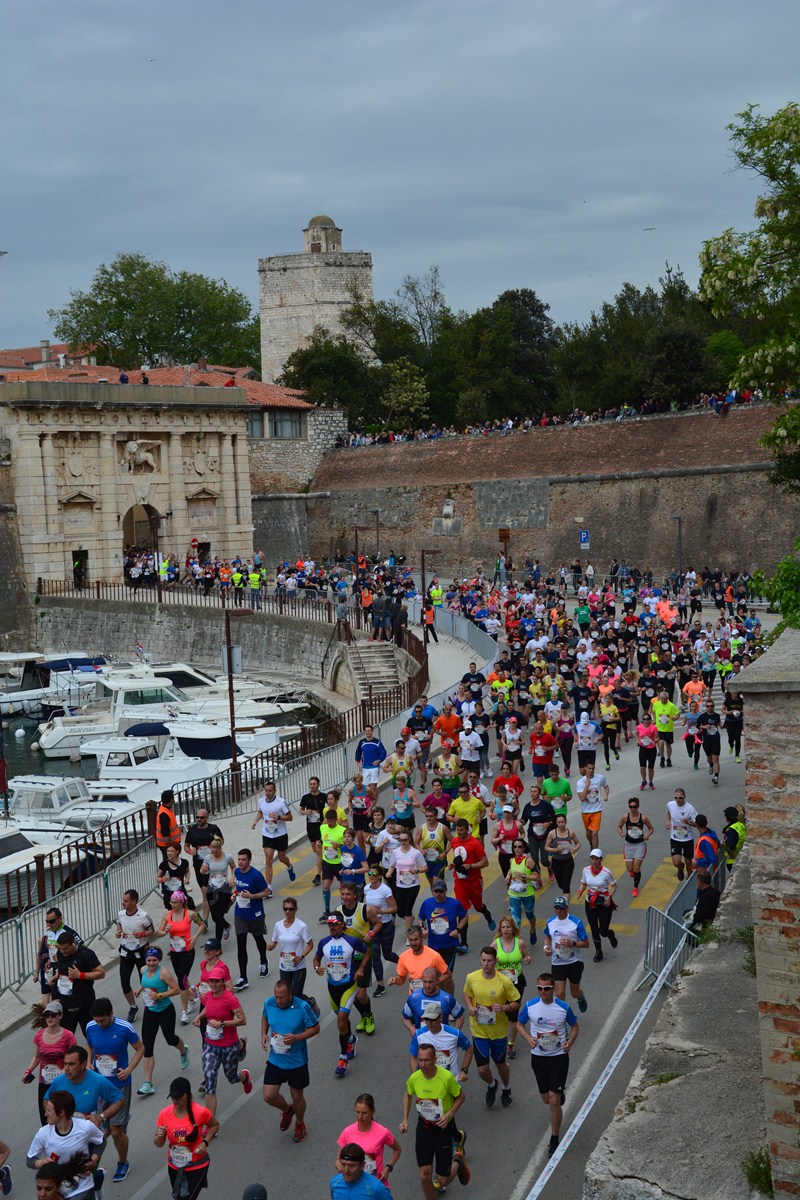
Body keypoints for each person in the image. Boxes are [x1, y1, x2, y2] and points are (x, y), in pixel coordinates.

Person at [517, 972, 580, 1158]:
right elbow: (519, 1024)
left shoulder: (563, 1007)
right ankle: (558, 1094)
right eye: (540, 988)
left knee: (553, 1100)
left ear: (553, 989)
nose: (543, 991)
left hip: (558, 1057)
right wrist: (528, 1038)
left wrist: (570, 1042)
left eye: (546, 988)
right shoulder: (530, 1006)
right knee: (546, 1098)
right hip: (538, 1058)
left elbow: (575, 1026)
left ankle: (554, 1139)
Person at [85, 998, 144, 1182]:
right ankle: (121, 1119)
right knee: (102, 1129)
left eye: (102, 1020)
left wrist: (129, 1070)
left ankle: (123, 1162)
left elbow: (140, 1049)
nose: (99, 1024)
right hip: (99, 1085)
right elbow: (90, 1046)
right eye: (96, 1020)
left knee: (116, 1131)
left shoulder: (124, 1028)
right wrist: (88, 1062)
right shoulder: (90, 1027)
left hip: (119, 1085)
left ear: (111, 1013)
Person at [399, 1045, 469, 1198]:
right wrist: (405, 1119)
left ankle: (458, 1162)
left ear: (435, 1060)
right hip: (424, 1128)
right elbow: (408, 1094)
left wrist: (450, 1114)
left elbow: (461, 1096)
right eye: (420, 1060)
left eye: (427, 1060)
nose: (423, 1064)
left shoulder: (446, 1078)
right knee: (424, 1175)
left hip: (443, 1129)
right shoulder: (415, 1078)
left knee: (442, 1181)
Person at [260, 978, 320, 1143]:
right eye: (276, 996)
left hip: (296, 1061)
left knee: (297, 1097)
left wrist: (296, 1038)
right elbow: (265, 1017)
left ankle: (300, 1124)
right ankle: (287, 1111)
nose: (278, 1001)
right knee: (268, 1096)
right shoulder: (269, 1003)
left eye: (282, 997)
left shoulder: (302, 1007)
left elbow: (316, 1028)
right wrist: (263, 1034)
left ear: (290, 994)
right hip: (275, 1059)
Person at [313, 912, 371, 1077]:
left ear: (342, 924)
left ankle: (343, 1058)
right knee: (342, 1022)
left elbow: (367, 951)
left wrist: (361, 968)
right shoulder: (324, 943)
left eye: (335, 924)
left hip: (348, 987)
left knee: (341, 1021)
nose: (332, 927)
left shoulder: (352, 941)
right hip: (332, 988)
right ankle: (350, 1040)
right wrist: (317, 968)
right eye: (330, 925)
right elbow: (316, 959)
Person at [463, 946, 519, 1109]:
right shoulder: (471, 977)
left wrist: (504, 1008)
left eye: (489, 961)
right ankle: (492, 1084)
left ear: (496, 961)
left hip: (498, 1032)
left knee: (500, 1064)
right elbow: (466, 993)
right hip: (479, 1031)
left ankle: (506, 1088)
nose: (486, 964)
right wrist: (470, 1007)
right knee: (482, 1069)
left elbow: (516, 1002)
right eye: (483, 960)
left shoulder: (504, 982)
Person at [193, 967, 252, 1114]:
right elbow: (208, 1008)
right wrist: (199, 1017)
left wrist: (222, 1024)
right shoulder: (207, 996)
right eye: (211, 981)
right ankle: (211, 1121)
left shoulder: (230, 999)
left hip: (228, 1046)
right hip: (210, 1045)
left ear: (222, 982)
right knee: (210, 1083)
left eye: (216, 981)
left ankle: (244, 1077)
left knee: (232, 1077)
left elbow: (242, 1020)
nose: (213, 984)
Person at [27, 1090, 105, 1199]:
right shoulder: (43, 1133)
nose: (45, 1114)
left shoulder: (85, 1127)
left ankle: (95, 1188)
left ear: (61, 1113)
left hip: (82, 1187)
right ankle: (97, 1186)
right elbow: (30, 1160)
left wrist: (93, 1160)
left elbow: (102, 1141)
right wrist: (41, 1163)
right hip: (57, 1189)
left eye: (49, 1111)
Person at [134, 946, 191, 1096]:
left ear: (159, 960)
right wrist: (140, 989)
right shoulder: (143, 970)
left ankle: (183, 1050)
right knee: (147, 1047)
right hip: (150, 1011)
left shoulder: (163, 973)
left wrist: (159, 996)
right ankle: (147, 1083)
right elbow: (146, 983)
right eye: (149, 960)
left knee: (170, 1039)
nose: (151, 963)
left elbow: (176, 989)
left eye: (154, 960)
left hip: (165, 1011)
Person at [154, 1077, 218, 1200]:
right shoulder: (164, 1114)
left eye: (178, 1097)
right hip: (175, 1166)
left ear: (187, 1094)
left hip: (197, 1165)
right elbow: (159, 1143)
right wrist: (158, 1136)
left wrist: (205, 1142)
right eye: (173, 1097)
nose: (175, 1100)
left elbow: (215, 1125)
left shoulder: (200, 1112)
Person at [43, 1044, 125, 1131]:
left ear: (83, 1065)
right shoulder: (58, 1081)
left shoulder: (98, 1081)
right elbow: (46, 1099)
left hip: (88, 1131)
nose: (66, 1068)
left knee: (116, 1132)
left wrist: (101, 1117)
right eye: (65, 1064)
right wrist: (52, 1115)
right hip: (65, 1131)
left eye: (71, 1064)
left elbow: (120, 1100)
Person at [23, 999, 77, 1125]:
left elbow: (74, 1059)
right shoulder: (39, 1035)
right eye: (47, 1015)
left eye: (53, 1014)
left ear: (60, 1016)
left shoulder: (68, 1036)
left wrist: (65, 1070)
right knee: (46, 1117)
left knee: (62, 1116)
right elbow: (37, 1057)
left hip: (62, 1082)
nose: (50, 1018)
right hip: (44, 1082)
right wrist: (28, 1071)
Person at [338, 882, 382, 1035]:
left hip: (364, 956)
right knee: (351, 994)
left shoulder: (366, 910)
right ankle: (364, 1017)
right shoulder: (338, 911)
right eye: (343, 894)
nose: (345, 897)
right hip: (346, 959)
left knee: (360, 993)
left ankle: (369, 1016)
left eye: (348, 894)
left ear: (355, 895)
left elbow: (378, 923)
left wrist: (371, 933)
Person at [157, 890, 205, 1023]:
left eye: (176, 902)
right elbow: (159, 933)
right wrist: (165, 931)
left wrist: (194, 937)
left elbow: (202, 924)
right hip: (174, 952)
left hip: (188, 951)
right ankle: (192, 995)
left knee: (181, 980)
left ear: (182, 902)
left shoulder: (190, 914)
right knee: (181, 978)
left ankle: (184, 1011)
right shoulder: (167, 915)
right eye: (171, 902)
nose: (173, 905)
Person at [46, 931, 105, 1036]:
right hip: (66, 1004)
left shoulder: (86, 954)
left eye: (65, 949)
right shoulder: (60, 953)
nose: (63, 951)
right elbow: (61, 969)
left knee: (91, 1037)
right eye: (61, 948)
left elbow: (101, 973)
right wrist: (55, 977)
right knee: (65, 1038)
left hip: (84, 1004)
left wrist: (80, 975)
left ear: (73, 943)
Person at [337, 1094, 402, 1185]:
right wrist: (340, 1166)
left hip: (375, 1184)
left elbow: (397, 1149)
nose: (360, 1116)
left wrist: (388, 1167)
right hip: (353, 1184)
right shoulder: (347, 1132)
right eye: (357, 1112)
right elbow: (338, 1158)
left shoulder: (382, 1132)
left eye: (364, 1113)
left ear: (372, 1111)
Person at [449, 819, 496, 946]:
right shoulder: (454, 842)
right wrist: (454, 865)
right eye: (457, 830)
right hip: (460, 882)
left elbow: (485, 862)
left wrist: (471, 866)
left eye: (461, 830)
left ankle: (487, 915)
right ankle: (464, 943)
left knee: (478, 907)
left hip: (474, 881)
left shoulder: (475, 843)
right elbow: (459, 859)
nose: (459, 832)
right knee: (462, 911)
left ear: (467, 829)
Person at [493, 916, 533, 1058]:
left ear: (513, 928)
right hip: (500, 982)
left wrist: (527, 959)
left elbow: (527, 956)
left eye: (508, 927)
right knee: (499, 1010)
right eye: (503, 927)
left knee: (513, 1012)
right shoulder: (496, 943)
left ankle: (510, 1043)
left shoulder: (519, 943)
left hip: (516, 982)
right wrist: (493, 962)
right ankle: (498, 1038)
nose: (505, 930)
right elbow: (486, 960)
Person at [542, 896, 589, 1013]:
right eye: (556, 908)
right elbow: (547, 936)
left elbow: (586, 943)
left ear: (567, 908)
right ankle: (562, 1017)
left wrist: (572, 943)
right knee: (560, 994)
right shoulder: (550, 922)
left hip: (574, 962)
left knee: (574, 993)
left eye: (561, 908)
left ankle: (580, 997)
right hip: (558, 963)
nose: (559, 911)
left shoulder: (576, 922)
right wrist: (546, 947)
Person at [232, 848, 271, 990]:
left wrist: (252, 896)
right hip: (240, 914)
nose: (240, 862)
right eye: (239, 859)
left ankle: (264, 961)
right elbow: (238, 888)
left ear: (249, 860)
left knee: (258, 939)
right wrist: (234, 895)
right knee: (241, 945)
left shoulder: (256, 875)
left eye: (243, 859)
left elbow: (266, 892)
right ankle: (243, 977)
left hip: (255, 914)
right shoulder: (237, 872)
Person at [114, 889, 155, 1022]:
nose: (123, 903)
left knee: (145, 981)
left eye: (125, 901)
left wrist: (142, 934)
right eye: (123, 900)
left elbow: (151, 931)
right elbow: (119, 924)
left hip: (141, 952)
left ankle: (150, 1003)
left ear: (134, 902)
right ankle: (133, 1007)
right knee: (124, 982)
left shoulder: (143, 916)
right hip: (126, 952)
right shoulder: (121, 914)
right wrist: (118, 931)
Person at [409, 999, 472, 1080]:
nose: (429, 1022)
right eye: (426, 1019)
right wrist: (414, 1077)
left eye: (433, 1019)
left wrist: (464, 1070)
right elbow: (414, 1056)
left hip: (449, 1082)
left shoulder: (454, 1034)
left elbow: (469, 1048)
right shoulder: (418, 1035)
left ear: (441, 1017)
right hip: (427, 1081)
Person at [268, 896, 315, 1004]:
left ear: (295, 909)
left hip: (298, 966)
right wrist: (270, 946)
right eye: (285, 909)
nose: (288, 911)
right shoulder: (278, 925)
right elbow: (274, 942)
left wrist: (301, 956)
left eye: (291, 909)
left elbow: (310, 944)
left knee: (296, 995)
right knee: (286, 995)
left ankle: (309, 1003)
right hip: (284, 966)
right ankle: (305, 1004)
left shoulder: (301, 926)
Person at [251, 779, 296, 892]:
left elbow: (290, 817)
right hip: (267, 834)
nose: (268, 793)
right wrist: (255, 821)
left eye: (270, 791)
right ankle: (269, 887)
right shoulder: (261, 801)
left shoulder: (281, 802)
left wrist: (278, 817)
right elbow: (261, 811)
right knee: (268, 859)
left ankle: (289, 866)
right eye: (266, 791)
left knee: (282, 858)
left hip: (280, 834)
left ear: (275, 791)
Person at [574, 849, 618, 962]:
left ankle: (610, 934)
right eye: (592, 858)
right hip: (590, 902)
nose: (594, 861)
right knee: (593, 929)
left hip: (603, 903)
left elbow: (614, 885)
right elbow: (584, 882)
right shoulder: (586, 870)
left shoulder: (606, 872)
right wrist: (580, 891)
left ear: (601, 860)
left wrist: (609, 897)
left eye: (597, 859)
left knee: (603, 931)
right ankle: (599, 951)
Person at [417, 879, 468, 972]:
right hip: (433, 945)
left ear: (445, 891)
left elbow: (464, 916)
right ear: (432, 891)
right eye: (436, 891)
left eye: (441, 891)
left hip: (450, 945)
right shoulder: (426, 904)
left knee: (447, 973)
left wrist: (458, 929)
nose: (438, 893)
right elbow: (420, 919)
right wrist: (422, 928)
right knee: (435, 972)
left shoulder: (454, 904)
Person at [388, 925, 453, 995]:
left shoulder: (434, 956)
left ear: (421, 938)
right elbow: (401, 979)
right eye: (411, 940)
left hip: (431, 995)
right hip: (414, 995)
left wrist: (433, 983)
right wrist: (395, 980)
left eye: (416, 939)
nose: (413, 943)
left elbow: (447, 974)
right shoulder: (403, 957)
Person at [364, 866, 399, 996]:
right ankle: (380, 985)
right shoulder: (366, 888)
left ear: (379, 876)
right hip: (373, 925)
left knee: (387, 954)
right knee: (375, 955)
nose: (371, 876)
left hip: (386, 925)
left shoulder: (385, 890)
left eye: (374, 874)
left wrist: (380, 911)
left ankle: (404, 963)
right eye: (369, 873)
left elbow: (394, 908)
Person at [184, 809, 224, 919]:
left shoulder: (214, 829)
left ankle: (206, 918)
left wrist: (215, 847)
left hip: (213, 862)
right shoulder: (192, 830)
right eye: (197, 817)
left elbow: (222, 841)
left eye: (202, 818)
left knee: (208, 891)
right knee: (204, 891)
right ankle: (213, 910)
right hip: (199, 864)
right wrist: (190, 851)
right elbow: (186, 845)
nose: (199, 819)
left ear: (207, 818)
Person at [34, 908, 81, 998]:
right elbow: (50, 951)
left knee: (66, 998)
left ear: (60, 919)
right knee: (55, 1000)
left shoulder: (69, 932)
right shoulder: (50, 933)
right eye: (47, 921)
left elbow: (81, 950)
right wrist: (49, 960)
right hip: (53, 969)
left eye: (52, 921)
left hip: (66, 970)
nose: (49, 924)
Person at [386, 830, 427, 931]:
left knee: (408, 910)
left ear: (409, 839)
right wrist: (389, 872)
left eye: (405, 840)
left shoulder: (416, 853)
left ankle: (409, 934)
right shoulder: (396, 852)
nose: (403, 842)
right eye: (401, 840)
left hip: (413, 885)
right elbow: (392, 865)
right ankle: (410, 919)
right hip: (400, 885)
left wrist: (417, 870)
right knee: (400, 912)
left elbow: (425, 867)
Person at [504, 838, 541, 941]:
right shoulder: (512, 860)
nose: (517, 849)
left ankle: (532, 929)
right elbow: (511, 870)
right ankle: (518, 943)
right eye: (515, 847)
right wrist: (507, 877)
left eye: (519, 847)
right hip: (514, 893)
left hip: (527, 894)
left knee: (530, 915)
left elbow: (537, 877)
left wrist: (523, 876)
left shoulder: (529, 861)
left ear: (524, 848)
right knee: (516, 920)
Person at [200, 837, 236, 942]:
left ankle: (217, 943)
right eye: (212, 852)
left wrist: (232, 878)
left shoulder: (228, 857)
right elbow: (202, 870)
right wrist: (203, 870)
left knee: (219, 916)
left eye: (216, 852)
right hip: (211, 889)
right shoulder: (207, 858)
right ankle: (226, 926)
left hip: (224, 888)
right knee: (215, 917)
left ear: (220, 849)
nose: (214, 854)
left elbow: (234, 868)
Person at [617, 797, 654, 896]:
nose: (633, 809)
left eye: (634, 807)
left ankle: (635, 888)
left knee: (636, 868)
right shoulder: (625, 817)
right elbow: (619, 826)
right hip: (628, 845)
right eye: (631, 807)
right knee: (630, 869)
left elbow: (651, 829)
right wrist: (621, 832)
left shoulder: (643, 818)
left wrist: (647, 835)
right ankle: (633, 871)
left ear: (638, 807)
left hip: (639, 845)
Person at [544, 815, 580, 904]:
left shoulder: (570, 833)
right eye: (559, 822)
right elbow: (546, 847)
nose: (561, 824)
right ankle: (565, 893)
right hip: (556, 862)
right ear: (556, 823)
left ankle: (565, 906)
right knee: (561, 884)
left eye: (562, 822)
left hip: (568, 861)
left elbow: (578, 843)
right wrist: (555, 850)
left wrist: (575, 849)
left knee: (566, 885)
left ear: (566, 822)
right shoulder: (552, 833)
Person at [320, 808, 347, 921]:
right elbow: (322, 840)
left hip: (339, 863)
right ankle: (327, 911)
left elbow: (348, 846)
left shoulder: (342, 830)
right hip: (327, 862)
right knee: (326, 886)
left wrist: (339, 845)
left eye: (331, 821)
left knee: (343, 887)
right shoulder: (322, 828)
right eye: (328, 821)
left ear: (336, 820)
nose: (329, 823)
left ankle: (342, 910)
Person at [666, 788, 698, 882]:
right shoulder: (670, 804)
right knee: (676, 862)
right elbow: (669, 812)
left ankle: (690, 881)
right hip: (675, 838)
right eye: (676, 798)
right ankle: (680, 868)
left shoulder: (690, 808)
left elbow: (696, 823)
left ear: (684, 797)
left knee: (688, 863)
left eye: (680, 798)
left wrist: (688, 822)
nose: (678, 800)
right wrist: (668, 821)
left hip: (687, 839)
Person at [300, 776, 327, 884]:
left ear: (318, 785)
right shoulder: (305, 797)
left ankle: (318, 875)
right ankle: (324, 861)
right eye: (311, 784)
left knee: (319, 850)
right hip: (310, 825)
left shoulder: (323, 796)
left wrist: (326, 818)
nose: (312, 786)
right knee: (315, 850)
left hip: (321, 825)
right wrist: (305, 812)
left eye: (314, 784)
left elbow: (330, 806)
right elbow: (301, 809)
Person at [576, 762, 608, 851]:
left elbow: (606, 786)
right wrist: (587, 785)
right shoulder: (580, 782)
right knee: (588, 832)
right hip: (585, 810)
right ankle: (591, 844)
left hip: (597, 809)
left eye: (593, 768)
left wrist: (606, 795)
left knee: (594, 832)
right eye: (589, 768)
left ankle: (595, 852)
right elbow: (582, 798)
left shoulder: (600, 778)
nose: (591, 770)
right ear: (585, 768)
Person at [157, 842, 193, 910]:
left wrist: (187, 879)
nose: (169, 853)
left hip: (180, 892)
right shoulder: (164, 864)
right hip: (169, 894)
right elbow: (157, 878)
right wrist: (162, 879)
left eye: (171, 851)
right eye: (167, 851)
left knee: (184, 911)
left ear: (177, 851)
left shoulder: (184, 862)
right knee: (172, 912)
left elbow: (187, 871)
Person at [650, 689, 680, 769]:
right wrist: (654, 719)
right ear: (660, 698)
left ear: (668, 698)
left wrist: (675, 718)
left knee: (668, 745)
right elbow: (653, 711)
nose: (663, 700)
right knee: (661, 743)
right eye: (662, 698)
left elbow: (677, 714)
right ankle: (662, 757)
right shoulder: (656, 704)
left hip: (668, 728)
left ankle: (669, 759)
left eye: (665, 698)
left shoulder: (671, 705)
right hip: (659, 728)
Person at [355, 727, 388, 795]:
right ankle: (369, 800)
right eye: (366, 731)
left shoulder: (377, 742)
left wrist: (379, 760)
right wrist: (358, 762)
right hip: (365, 767)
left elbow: (383, 753)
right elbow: (358, 752)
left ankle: (374, 800)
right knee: (366, 787)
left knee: (373, 786)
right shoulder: (362, 742)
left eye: (369, 731)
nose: (367, 732)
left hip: (374, 767)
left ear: (372, 731)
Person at [697, 698, 722, 784]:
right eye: (707, 706)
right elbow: (697, 726)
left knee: (716, 758)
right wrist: (704, 727)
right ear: (706, 707)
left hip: (716, 739)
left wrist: (724, 725)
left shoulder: (717, 716)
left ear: (713, 707)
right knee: (709, 757)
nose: (709, 707)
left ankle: (716, 777)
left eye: (711, 706)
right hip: (707, 740)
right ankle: (711, 765)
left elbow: (720, 724)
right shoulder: (702, 716)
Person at [636, 710, 658, 791]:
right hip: (643, 749)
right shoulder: (639, 727)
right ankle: (644, 780)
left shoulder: (654, 727)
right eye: (644, 719)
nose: (646, 721)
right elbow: (637, 734)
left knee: (650, 768)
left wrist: (655, 741)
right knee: (642, 767)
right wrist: (638, 741)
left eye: (647, 719)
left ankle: (651, 782)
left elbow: (657, 738)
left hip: (652, 749)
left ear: (650, 720)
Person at [155, 789, 182, 856]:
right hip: (167, 845)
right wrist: (170, 848)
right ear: (171, 800)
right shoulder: (164, 814)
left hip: (170, 844)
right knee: (170, 861)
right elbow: (165, 834)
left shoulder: (166, 809)